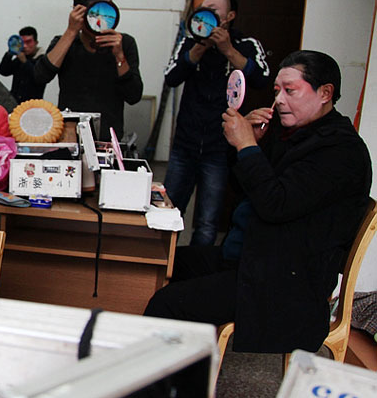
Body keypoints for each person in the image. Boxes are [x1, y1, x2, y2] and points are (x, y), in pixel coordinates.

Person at [145, 50, 372, 353]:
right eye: (277, 91)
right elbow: (245, 190)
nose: (279, 100)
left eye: (290, 90)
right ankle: (176, 368)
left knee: (168, 303)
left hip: (284, 281)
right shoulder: (289, 132)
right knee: (159, 262)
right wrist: (244, 145)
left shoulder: (341, 150)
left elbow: (275, 204)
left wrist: (247, 146)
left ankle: (162, 392)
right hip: (250, 256)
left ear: (325, 93)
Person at [163, 0, 270, 246]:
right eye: (204, 7)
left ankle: (196, 275)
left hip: (219, 148)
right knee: (166, 212)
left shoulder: (245, 43)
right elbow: (171, 77)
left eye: (215, 8)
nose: (207, 11)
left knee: (208, 222)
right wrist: (201, 47)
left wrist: (227, 49)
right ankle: (161, 265)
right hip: (184, 145)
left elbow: (262, 79)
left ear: (230, 16)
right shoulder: (190, 41)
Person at [32, 0, 143, 138]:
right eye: (94, 13)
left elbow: (134, 95)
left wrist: (119, 56)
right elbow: (40, 76)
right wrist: (71, 31)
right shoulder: (65, 42)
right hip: (70, 135)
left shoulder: (125, 43)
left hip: (108, 137)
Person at [0, 26, 46, 103]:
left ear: (36, 43)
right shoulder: (20, 58)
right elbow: (4, 71)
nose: (24, 46)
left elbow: (38, 77)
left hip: (33, 105)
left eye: (28, 42)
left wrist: (25, 62)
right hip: (15, 103)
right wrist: (10, 53)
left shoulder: (42, 59)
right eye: (22, 42)